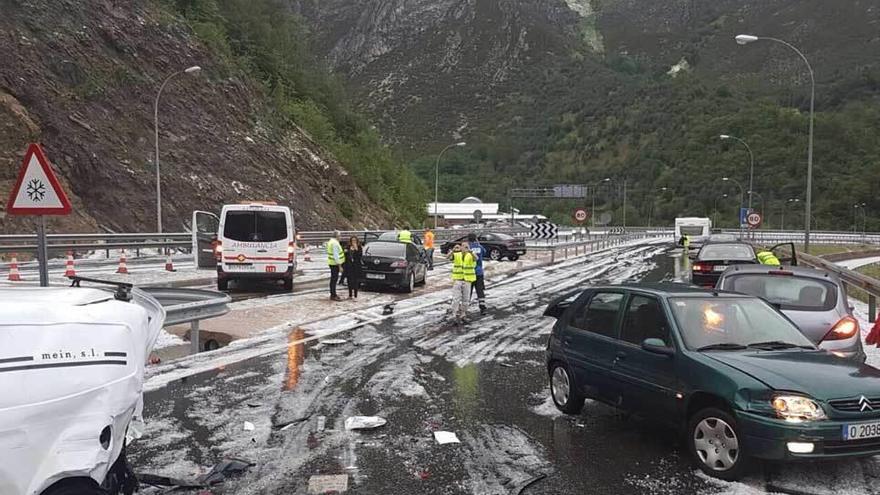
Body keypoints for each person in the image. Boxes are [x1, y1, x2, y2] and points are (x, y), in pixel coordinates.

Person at [447, 242, 477, 324]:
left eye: (467, 247)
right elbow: (448, 257)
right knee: (456, 299)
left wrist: (470, 252)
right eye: (464, 246)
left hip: (467, 280)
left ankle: (463, 315)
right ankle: (454, 315)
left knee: (466, 300)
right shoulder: (457, 254)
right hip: (458, 279)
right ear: (461, 247)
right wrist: (453, 250)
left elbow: (476, 259)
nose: (465, 248)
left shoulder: (471, 255)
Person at [467, 233, 488, 315]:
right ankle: (483, 307)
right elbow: (485, 252)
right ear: (476, 238)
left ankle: (465, 308)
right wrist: (478, 244)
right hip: (479, 272)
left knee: (468, 291)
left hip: (469, 273)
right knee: (480, 290)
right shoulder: (479, 247)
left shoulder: (467, 248)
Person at [327, 231, 345, 301]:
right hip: (335, 264)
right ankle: (333, 295)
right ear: (337, 236)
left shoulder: (331, 242)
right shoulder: (334, 243)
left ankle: (333, 294)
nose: (340, 237)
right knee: (334, 279)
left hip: (332, 263)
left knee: (333, 279)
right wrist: (340, 266)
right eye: (340, 236)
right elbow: (336, 255)